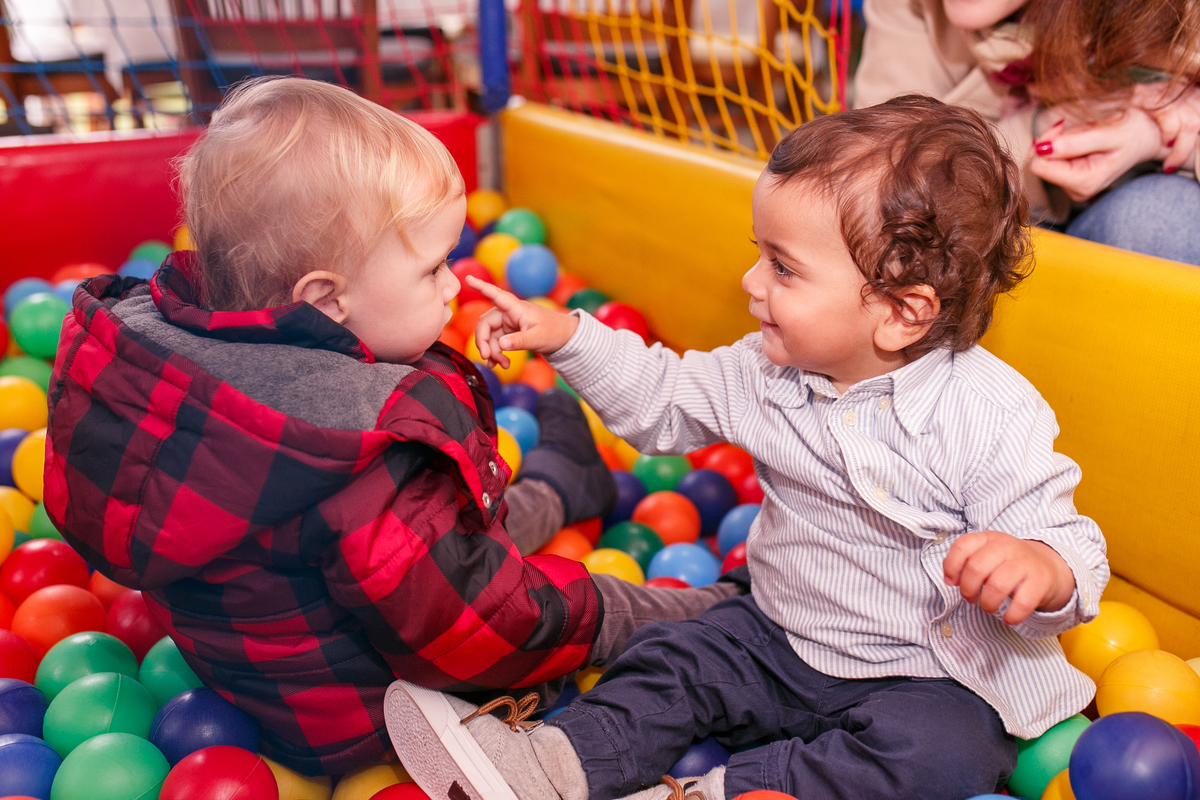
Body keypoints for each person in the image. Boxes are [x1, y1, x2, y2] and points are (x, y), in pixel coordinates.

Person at [386, 96, 1110, 800]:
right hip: (777, 635)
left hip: (930, 675)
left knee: (947, 755)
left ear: (899, 312)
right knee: (673, 658)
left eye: (783, 267)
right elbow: (663, 399)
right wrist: (569, 336)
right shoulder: (768, 372)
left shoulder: (987, 412)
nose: (751, 282)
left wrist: (1039, 569)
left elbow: (1068, 542)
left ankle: (720, 790)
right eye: (759, 255)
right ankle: (553, 766)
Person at [42, 76, 741, 777]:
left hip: (270, 666)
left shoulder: (158, 371)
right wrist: (665, 610)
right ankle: (675, 578)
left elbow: (416, 551)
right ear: (325, 299)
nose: (454, 285)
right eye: (432, 267)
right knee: (529, 593)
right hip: (375, 711)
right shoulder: (357, 450)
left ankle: (565, 482)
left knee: (440, 536)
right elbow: (483, 625)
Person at [854, 0, 1200, 264]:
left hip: (1122, 228)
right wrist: (1039, 131)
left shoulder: (1170, 11)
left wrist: (1153, 137)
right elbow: (881, 183)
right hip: (982, 236)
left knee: (1157, 218)